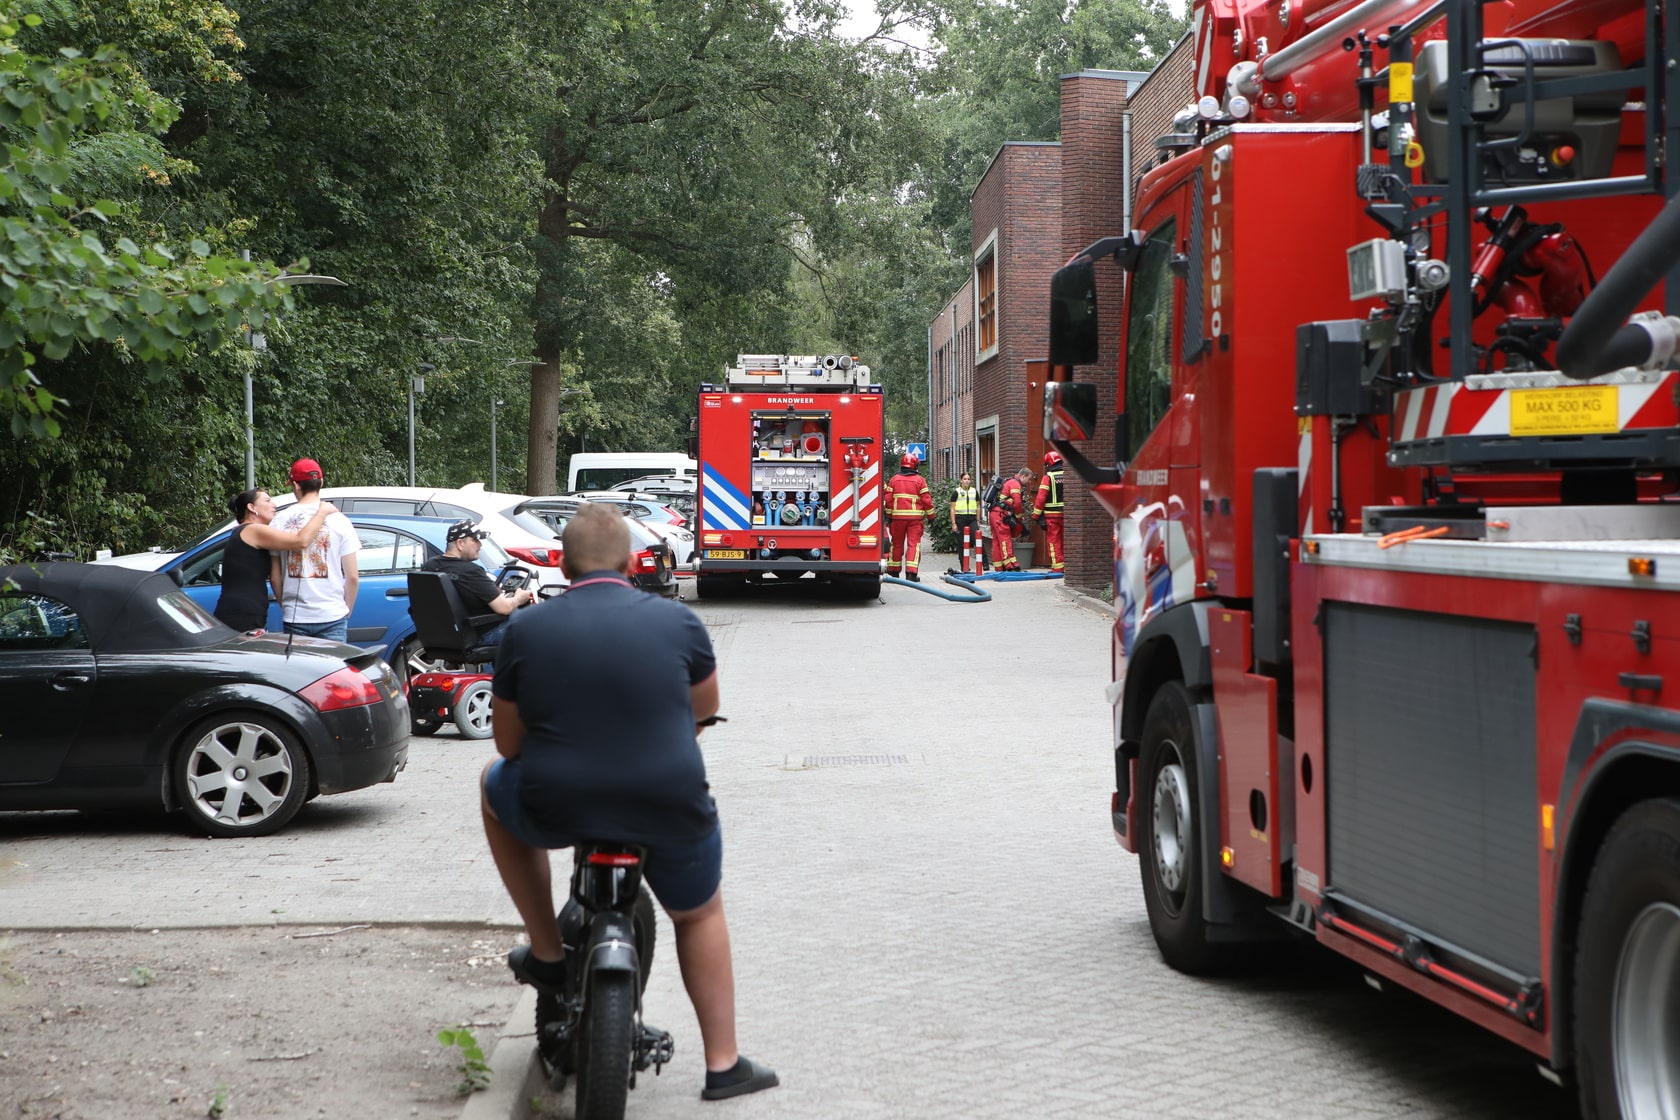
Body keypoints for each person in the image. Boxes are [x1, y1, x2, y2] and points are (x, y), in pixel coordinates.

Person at [479, 504, 777, 1101]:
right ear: (631, 560)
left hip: (556, 798)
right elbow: (701, 710)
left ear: (563, 563)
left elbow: (508, 744)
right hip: (666, 799)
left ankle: (545, 951)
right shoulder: (679, 623)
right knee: (698, 914)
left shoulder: (526, 629)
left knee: (492, 783)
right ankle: (723, 1064)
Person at [214, 488, 338, 632]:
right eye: (267, 500)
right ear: (251, 507)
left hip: (245, 611)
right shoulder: (253, 530)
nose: (274, 505)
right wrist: (322, 512)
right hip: (240, 614)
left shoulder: (243, 531)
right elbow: (301, 541)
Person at [268, 458, 360, 642]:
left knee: (300, 671)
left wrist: (286, 606)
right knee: (333, 671)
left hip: (296, 616)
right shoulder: (340, 520)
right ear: (321, 482)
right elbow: (352, 576)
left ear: (295, 485)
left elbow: (275, 577)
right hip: (333, 614)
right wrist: (346, 609)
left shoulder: (279, 520)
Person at [420, 519, 534, 645]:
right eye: (475, 540)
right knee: (538, 626)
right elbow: (504, 608)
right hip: (482, 634)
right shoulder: (470, 571)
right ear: (460, 543)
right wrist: (519, 597)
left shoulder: (430, 566)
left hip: (448, 637)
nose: (480, 544)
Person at [884, 453, 933, 581]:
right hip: (915, 520)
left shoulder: (894, 479)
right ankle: (911, 574)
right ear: (914, 466)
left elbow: (888, 499)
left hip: (897, 519)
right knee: (913, 545)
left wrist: (889, 515)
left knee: (896, 544)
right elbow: (927, 500)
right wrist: (931, 516)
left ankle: (893, 572)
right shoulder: (920, 480)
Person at [989, 468, 1033, 572]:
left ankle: (999, 567)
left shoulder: (1009, 481)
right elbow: (1017, 503)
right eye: (1029, 479)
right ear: (1023, 476)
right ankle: (1011, 565)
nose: (1029, 482)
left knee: (996, 541)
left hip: (994, 513)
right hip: (1001, 515)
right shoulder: (1015, 484)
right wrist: (1018, 518)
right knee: (1005, 539)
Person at [1033, 449, 1066, 573]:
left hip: (1052, 517)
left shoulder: (1048, 477)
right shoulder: (1069, 474)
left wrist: (1036, 516)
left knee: (1054, 541)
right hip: (1068, 515)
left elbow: (1041, 497)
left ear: (1049, 463)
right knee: (1067, 541)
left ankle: (1058, 568)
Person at [949, 471, 981, 572]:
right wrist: (954, 523)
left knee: (976, 538)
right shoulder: (956, 492)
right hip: (960, 519)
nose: (967, 481)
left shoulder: (974, 491)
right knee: (961, 543)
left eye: (968, 479)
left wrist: (978, 519)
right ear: (961, 480)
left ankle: (983, 563)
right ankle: (964, 566)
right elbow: (952, 509)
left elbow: (978, 506)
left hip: (971, 518)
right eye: (965, 479)